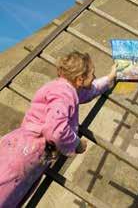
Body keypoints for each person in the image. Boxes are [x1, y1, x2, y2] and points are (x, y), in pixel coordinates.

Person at [0, 51, 116, 207]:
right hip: (26, 155)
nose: (94, 77)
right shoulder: (65, 94)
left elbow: (90, 90)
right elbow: (56, 130)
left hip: (20, 147)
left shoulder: (63, 87)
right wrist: (77, 144)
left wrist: (109, 78)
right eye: (92, 74)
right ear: (80, 79)